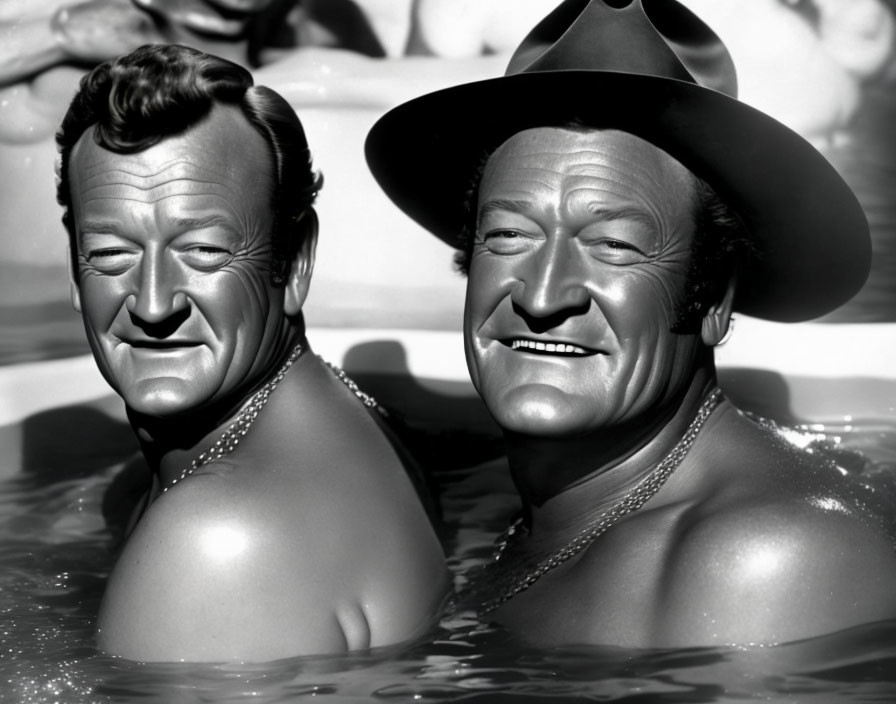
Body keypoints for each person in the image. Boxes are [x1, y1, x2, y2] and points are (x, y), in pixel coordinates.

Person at [366, 0, 896, 648]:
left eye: (613, 246)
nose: (542, 292)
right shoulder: (546, 508)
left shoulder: (770, 561)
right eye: (507, 235)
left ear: (714, 297)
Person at [55, 43, 448, 662]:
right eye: (110, 253)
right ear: (72, 271)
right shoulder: (343, 414)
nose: (154, 305)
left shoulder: (213, 541)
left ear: (292, 263)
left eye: (205, 251)